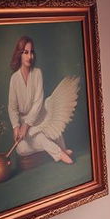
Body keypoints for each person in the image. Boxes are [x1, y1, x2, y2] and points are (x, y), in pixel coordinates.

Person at [8, 36, 74, 164]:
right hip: (22, 124)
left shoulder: (38, 73)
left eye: (31, 52)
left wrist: (27, 125)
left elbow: (38, 102)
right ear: (19, 54)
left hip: (38, 117)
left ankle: (61, 151)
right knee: (21, 149)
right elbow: (12, 107)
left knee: (51, 121)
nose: (29, 56)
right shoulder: (14, 79)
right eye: (25, 52)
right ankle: (59, 151)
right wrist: (16, 127)